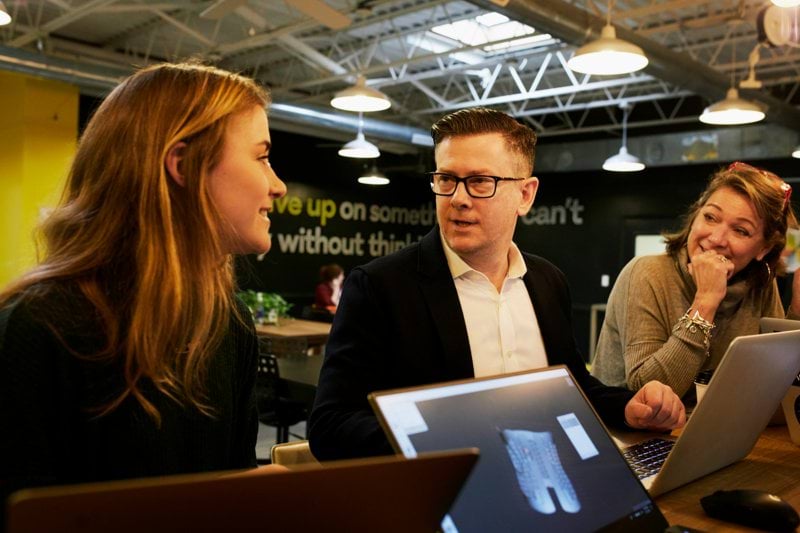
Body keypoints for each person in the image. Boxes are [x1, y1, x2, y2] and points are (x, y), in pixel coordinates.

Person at [308, 107, 685, 461]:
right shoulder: (380, 287)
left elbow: (573, 386)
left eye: (479, 182)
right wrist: (450, 440)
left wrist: (627, 407)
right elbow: (330, 426)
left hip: (548, 473)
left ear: (525, 195)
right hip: (446, 494)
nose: (458, 198)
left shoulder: (548, 281)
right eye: (446, 179)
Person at [0, 62, 287, 508]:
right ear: (184, 164)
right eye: (262, 157)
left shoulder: (229, 323)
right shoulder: (37, 328)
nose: (278, 185)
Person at [592, 162, 799, 398]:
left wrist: (797, 314)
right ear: (695, 216)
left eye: (741, 230)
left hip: (718, 418)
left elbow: (774, 386)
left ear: (764, 248)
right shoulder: (646, 273)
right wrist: (706, 302)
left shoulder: (760, 284)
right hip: (625, 421)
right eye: (710, 217)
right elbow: (647, 392)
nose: (716, 238)